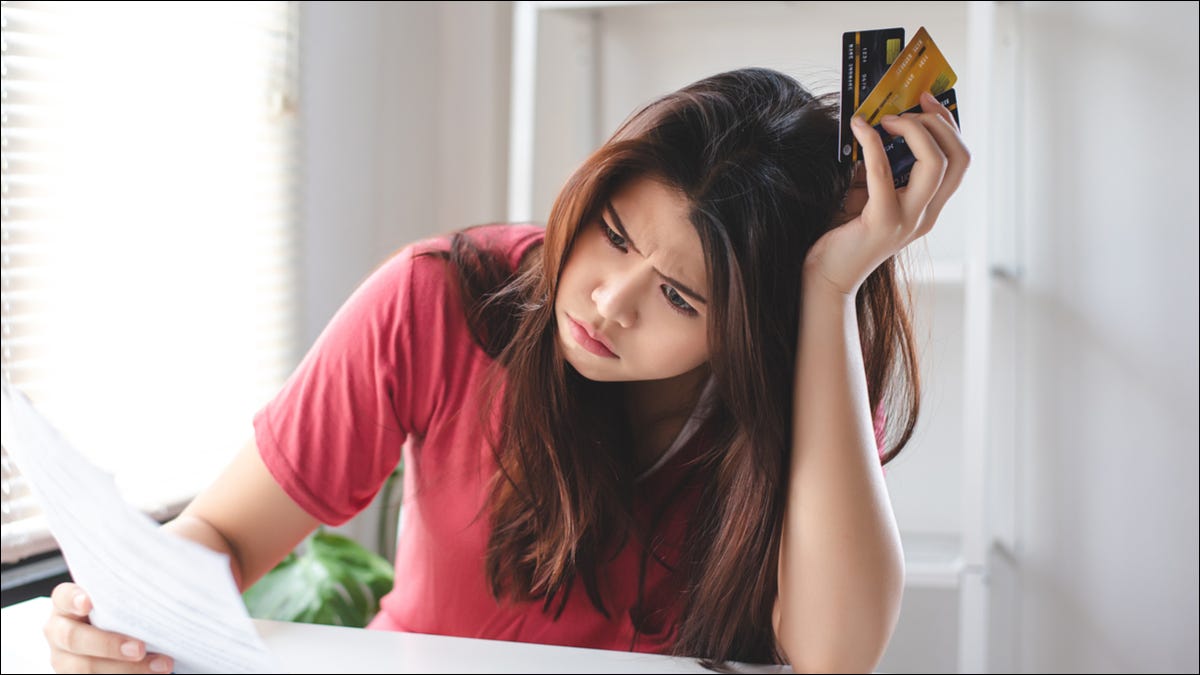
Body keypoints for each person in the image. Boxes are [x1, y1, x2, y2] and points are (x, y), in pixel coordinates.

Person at [41, 67, 968, 673]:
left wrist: (830, 287)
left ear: (749, 334)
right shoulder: (441, 298)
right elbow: (226, 534)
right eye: (611, 236)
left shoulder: (798, 380)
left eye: (680, 299)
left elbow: (836, 654)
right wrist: (119, 621)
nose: (609, 302)